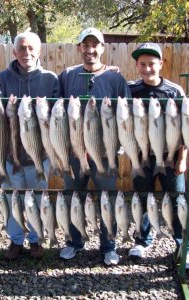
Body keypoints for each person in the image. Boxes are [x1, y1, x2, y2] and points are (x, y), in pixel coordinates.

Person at [0, 31, 60, 260]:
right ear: (14, 52)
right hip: (10, 154)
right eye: (22, 48)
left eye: (31, 48)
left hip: (40, 155)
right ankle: (16, 240)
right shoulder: (1, 79)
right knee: (12, 197)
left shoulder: (50, 80)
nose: (27, 53)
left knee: (37, 199)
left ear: (39, 51)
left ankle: (36, 240)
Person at [59, 27, 131, 266]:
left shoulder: (115, 79)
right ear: (79, 48)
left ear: (102, 48)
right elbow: (55, 112)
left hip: (105, 152)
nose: (90, 49)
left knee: (108, 199)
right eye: (85, 45)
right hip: (74, 152)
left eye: (95, 45)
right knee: (73, 197)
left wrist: (118, 148)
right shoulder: (67, 76)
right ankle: (74, 242)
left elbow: (126, 116)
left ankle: (109, 246)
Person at [127, 42, 189, 270]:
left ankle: (184, 246)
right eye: (142, 64)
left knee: (178, 201)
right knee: (143, 198)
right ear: (137, 65)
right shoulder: (131, 89)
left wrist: (183, 157)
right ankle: (142, 240)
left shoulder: (175, 91)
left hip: (170, 158)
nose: (147, 69)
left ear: (161, 64)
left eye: (152, 64)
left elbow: (186, 128)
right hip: (142, 156)